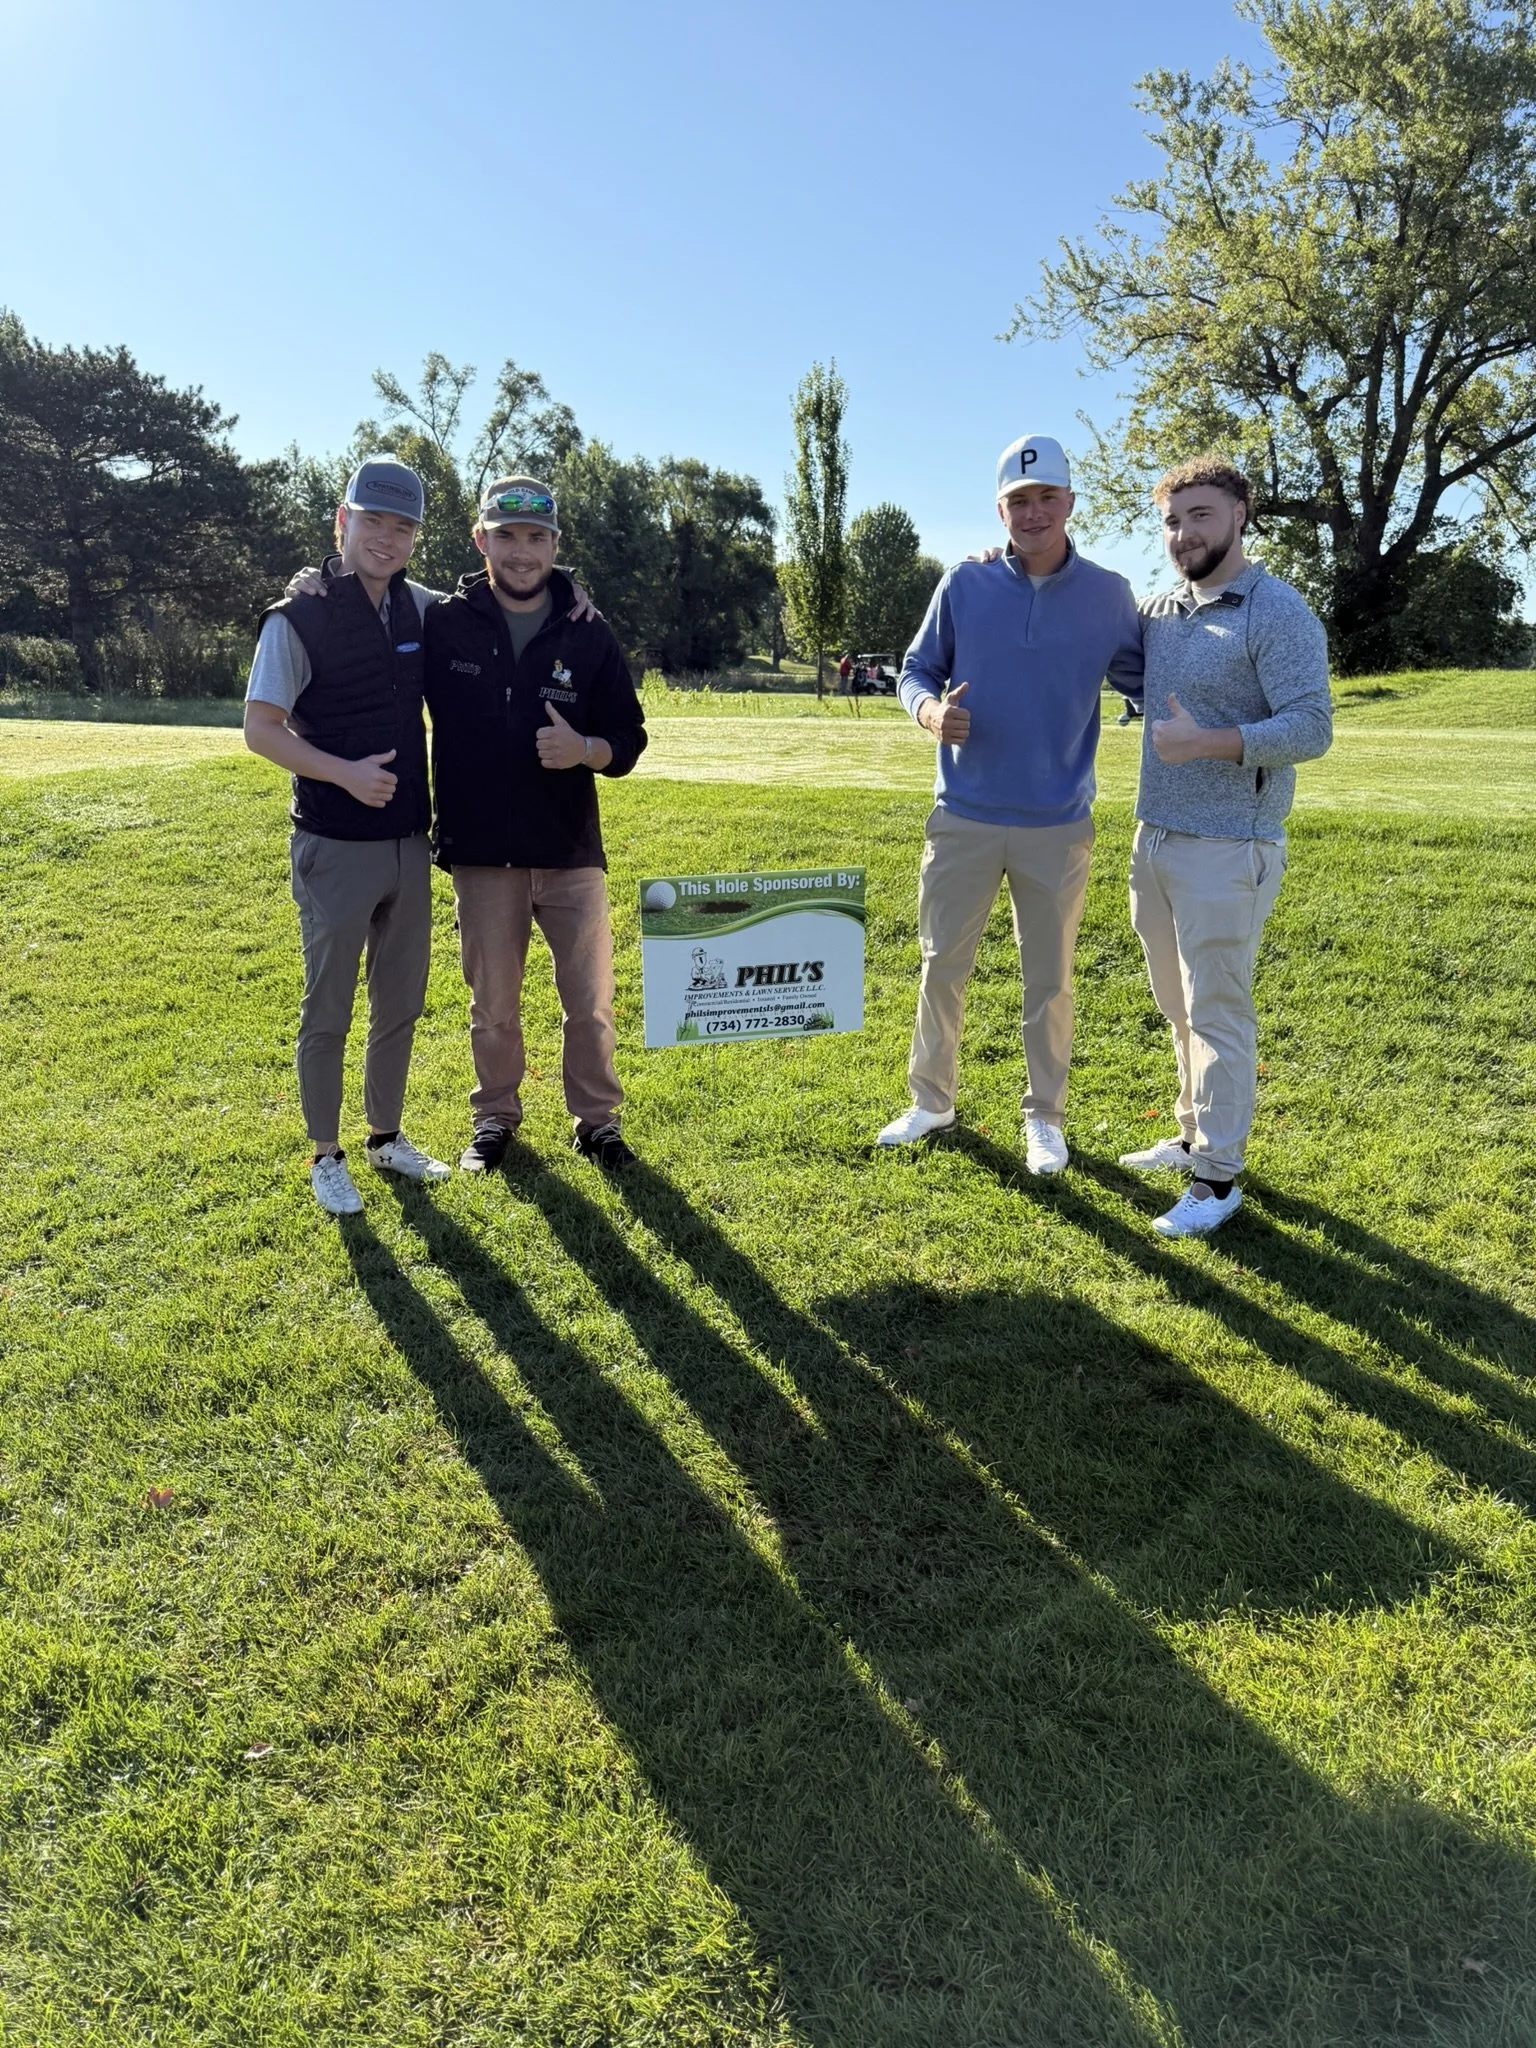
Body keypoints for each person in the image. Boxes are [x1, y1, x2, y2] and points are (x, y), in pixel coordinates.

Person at [876, 435, 1144, 1171]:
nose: (1032, 514)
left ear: (1069, 504)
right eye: (1018, 502)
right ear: (1000, 509)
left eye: (1046, 499)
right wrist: (929, 713)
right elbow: (914, 670)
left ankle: (1045, 1118)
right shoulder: (963, 584)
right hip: (963, 811)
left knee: (1049, 980)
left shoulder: (1109, 595)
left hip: (1057, 823)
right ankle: (932, 1101)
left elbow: (1147, 679)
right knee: (941, 966)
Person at [1118, 457, 1332, 1238]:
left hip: (1230, 846)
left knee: (1217, 1013)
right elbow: (1090, 625)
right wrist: (1000, 560)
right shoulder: (1165, 609)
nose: (1184, 535)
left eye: (1201, 516)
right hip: (1157, 838)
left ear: (1242, 513)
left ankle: (1217, 1180)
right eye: (1173, 521)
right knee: (1178, 1007)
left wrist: (1207, 743)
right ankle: (1191, 1136)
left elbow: (1312, 728)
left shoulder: (1276, 612)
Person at [244, 456, 451, 1216]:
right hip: (333, 843)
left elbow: (497, 596)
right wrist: (343, 773)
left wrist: (570, 592)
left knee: (398, 1001)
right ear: (343, 521)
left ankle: (384, 1137)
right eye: (373, 521)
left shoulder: (419, 607)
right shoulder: (296, 617)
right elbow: (260, 730)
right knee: (327, 1007)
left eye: (403, 527)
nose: (387, 539)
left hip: (408, 842)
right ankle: (326, 1154)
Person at [425, 476, 648, 1173]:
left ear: (555, 545)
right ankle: (494, 1118)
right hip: (481, 851)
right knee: (492, 1005)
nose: (522, 553)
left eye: (536, 538)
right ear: (480, 539)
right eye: (507, 536)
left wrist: (584, 750)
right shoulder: (443, 623)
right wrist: (323, 575)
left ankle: (596, 1121)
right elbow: (369, 598)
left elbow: (630, 738)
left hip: (570, 850)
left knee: (590, 1002)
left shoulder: (588, 629)